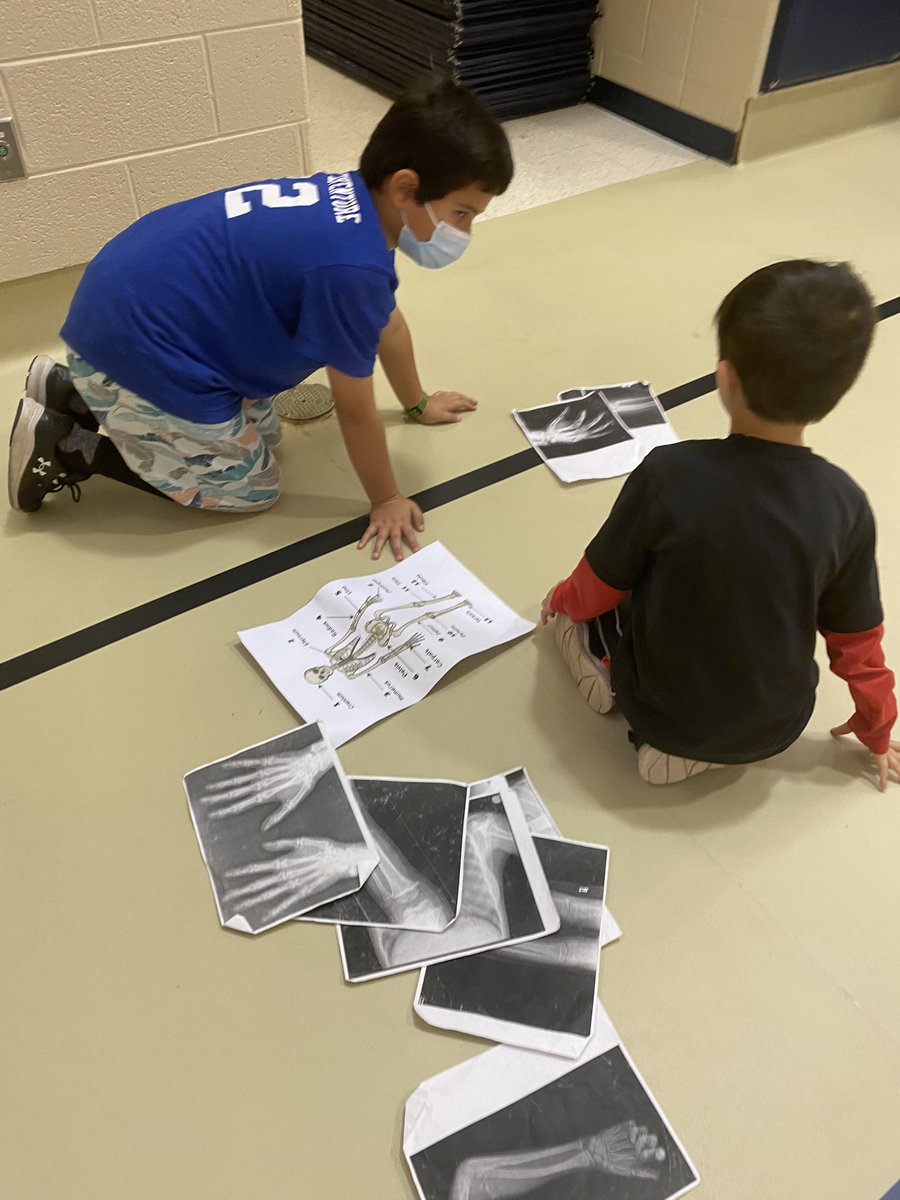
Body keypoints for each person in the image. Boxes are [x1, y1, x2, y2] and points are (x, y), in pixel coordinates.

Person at [7, 74, 513, 561]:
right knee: (250, 490)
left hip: (123, 305)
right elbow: (355, 409)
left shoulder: (349, 200)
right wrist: (385, 498)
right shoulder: (350, 267)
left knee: (267, 438)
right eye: (461, 213)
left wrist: (417, 403)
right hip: (135, 343)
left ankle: (72, 391)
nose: (463, 232)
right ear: (404, 188)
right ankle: (68, 447)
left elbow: (389, 324)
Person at [541, 260, 900, 789]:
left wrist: (561, 600)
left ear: (724, 378)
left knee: (586, 612)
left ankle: (614, 686)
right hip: (777, 726)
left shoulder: (670, 473)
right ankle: (700, 752)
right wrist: (876, 727)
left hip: (661, 710)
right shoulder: (846, 505)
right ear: (835, 396)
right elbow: (859, 644)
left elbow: (600, 584)